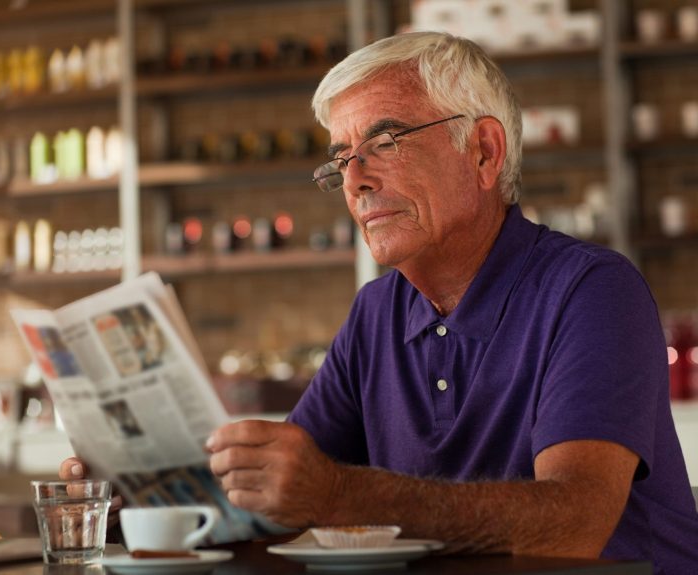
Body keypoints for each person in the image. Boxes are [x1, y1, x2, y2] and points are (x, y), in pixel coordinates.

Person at [61, 31, 698, 572]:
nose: (355, 179)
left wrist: (338, 493)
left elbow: (574, 526)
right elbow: (279, 507)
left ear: (483, 151)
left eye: (386, 142)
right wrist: (140, 495)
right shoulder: (376, 313)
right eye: (342, 158)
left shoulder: (591, 290)